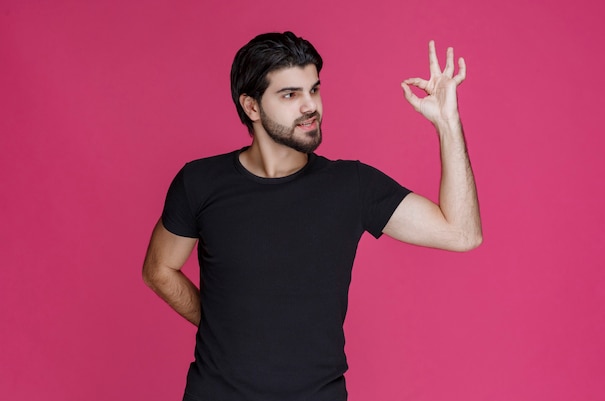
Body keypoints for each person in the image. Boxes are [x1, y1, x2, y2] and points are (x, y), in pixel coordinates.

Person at [142, 31, 482, 401]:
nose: (310, 106)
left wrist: (447, 123)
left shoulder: (351, 185)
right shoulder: (200, 182)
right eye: (290, 94)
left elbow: (462, 234)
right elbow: (159, 269)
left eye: (314, 90)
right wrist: (219, 327)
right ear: (252, 107)